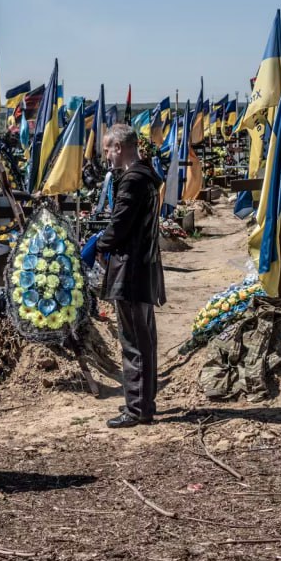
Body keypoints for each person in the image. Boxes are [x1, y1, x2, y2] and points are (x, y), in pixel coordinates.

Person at [96, 124, 166, 429]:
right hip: (144, 267)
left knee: (134, 341)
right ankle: (144, 403)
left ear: (119, 147)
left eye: (107, 150)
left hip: (131, 269)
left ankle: (137, 408)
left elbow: (120, 225)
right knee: (144, 339)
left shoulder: (132, 180)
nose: (106, 156)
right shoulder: (147, 175)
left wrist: (98, 246)